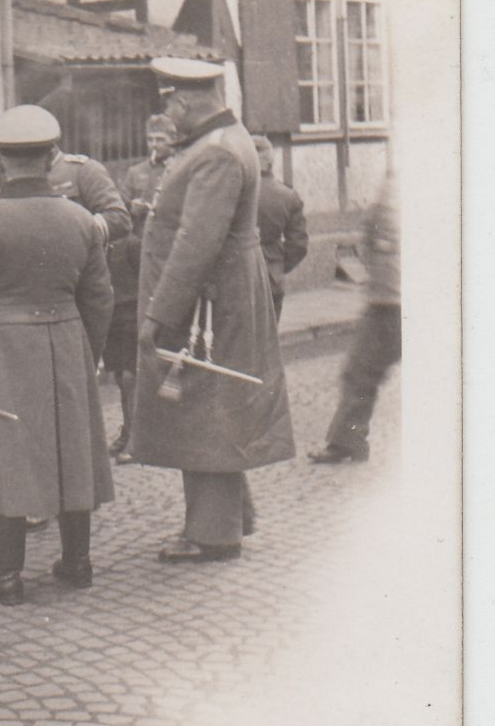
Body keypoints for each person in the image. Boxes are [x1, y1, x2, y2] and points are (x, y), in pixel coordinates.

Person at [0, 105, 115, 603]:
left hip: (2, 347)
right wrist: (87, 352)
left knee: (2, 451)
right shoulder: (81, 219)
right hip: (67, 338)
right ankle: (77, 562)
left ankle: (6, 574)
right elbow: (100, 298)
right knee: (71, 447)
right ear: (53, 155)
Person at [130, 58, 294, 563]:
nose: (168, 119)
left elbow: (196, 243)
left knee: (206, 406)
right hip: (217, 294)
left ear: (184, 101)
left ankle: (214, 535)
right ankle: (230, 516)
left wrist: (158, 315)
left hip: (207, 301)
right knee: (213, 402)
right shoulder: (224, 141)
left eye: (170, 106)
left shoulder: (216, 153)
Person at [309, 171, 399, 464]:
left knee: (360, 374)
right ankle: (347, 441)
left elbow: (372, 241)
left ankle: (347, 441)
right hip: (386, 302)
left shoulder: (393, 198)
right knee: (359, 374)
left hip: (390, 304)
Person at [106, 114, 176, 460]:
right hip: (134, 259)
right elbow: (119, 209)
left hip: (163, 263)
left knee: (160, 366)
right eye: (151, 140)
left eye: (161, 140)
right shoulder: (136, 174)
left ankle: (155, 433)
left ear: (172, 142)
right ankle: (133, 431)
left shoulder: (178, 171)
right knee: (127, 372)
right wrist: (133, 209)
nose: (155, 146)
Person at [252, 134, 310, 319]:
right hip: (273, 277)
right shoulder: (288, 196)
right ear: (271, 162)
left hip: (237, 279)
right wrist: (279, 266)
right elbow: (299, 245)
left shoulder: (234, 191)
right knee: (269, 340)